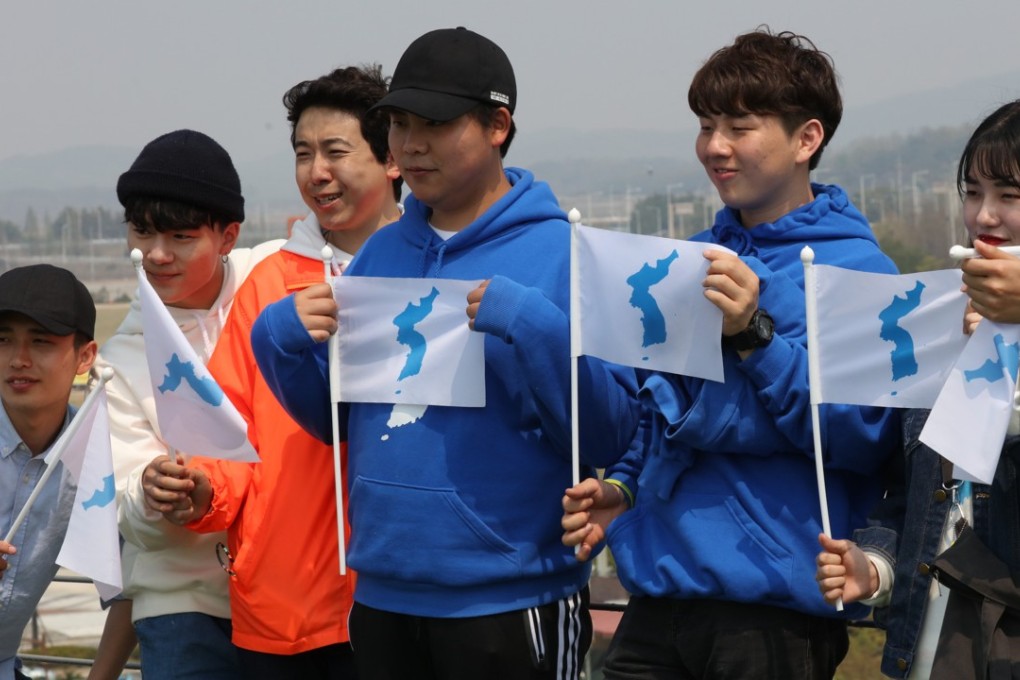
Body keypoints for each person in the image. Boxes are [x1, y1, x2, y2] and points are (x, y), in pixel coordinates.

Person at [249, 27, 639, 680]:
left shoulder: (566, 255)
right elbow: (340, 422)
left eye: (433, 122)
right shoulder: (382, 253)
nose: (410, 144)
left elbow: (609, 431)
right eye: (399, 123)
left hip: (511, 596)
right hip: (380, 594)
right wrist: (280, 343)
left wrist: (536, 327)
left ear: (497, 124)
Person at [560, 28, 900, 679]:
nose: (714, 147)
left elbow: (864, 436)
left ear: (807, 139)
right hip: (657, 596)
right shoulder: (689, 259)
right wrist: (623, 486)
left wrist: (755, 336)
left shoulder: (861, 272)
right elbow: (659, 409)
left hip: (774, 615)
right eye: (706, 125)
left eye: (739, 126)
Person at [138, 64, 401, 678]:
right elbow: (227, 432)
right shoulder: (270, 285)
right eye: (303, 153)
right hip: (283, 610)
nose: (316, 172)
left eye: (336, 151)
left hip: (405, 598)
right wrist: (202, 490)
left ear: (393, 158)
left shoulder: (433, 275)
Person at [816, 99, 1020, 679]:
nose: (984, 216)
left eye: (1010, 196)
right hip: (927, 656)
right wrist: (875, 568)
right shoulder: (940, 321)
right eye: (973, 191)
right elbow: (917, 493)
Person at [95, 129, 280, 680]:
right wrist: (153, 492)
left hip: (293, 590)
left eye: (180, 236)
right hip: (183, 607)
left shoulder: (274, 278)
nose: (155, 254)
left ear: (228, 236)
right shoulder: (122, 356)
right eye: (142, 231)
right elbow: (129, 513)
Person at [0, 265, 98, 680]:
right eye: (2, 340)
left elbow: (137, 579)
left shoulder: (98, 458)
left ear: (86, 357)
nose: (18, 359)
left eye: (40, 341)